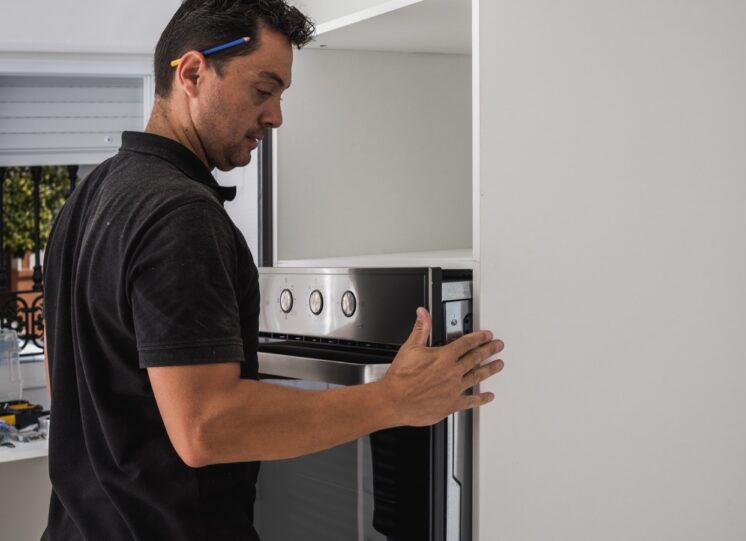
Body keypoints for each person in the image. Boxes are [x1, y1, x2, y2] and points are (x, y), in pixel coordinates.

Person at [41, 1, 505, 539]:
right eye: (263, 90)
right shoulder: (180, 215)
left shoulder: (88, 197)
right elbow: (205, 428)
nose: (276, 116)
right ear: (192, 73)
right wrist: (392, 399)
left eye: (281, 95)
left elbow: (67, 381)